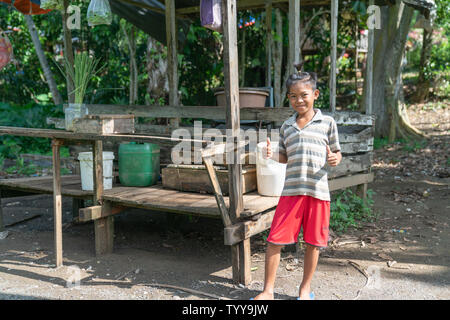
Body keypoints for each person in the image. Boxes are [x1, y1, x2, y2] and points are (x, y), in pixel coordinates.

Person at [252, 65, 342, 300]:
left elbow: (336, 153)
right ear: (288, 98)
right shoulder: (286, 126)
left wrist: (335, 158)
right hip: (291, 191)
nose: (298, 100)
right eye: (293, 96)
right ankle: (267, 291)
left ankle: (304, 290)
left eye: (304, 95)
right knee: (274, 240)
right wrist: (272, 154)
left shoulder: (328, 123)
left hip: (317, 192)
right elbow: (285, 157)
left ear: (315, 94)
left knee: (313, 243)